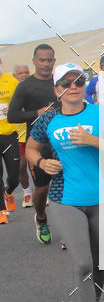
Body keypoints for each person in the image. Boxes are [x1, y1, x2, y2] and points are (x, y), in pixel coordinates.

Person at [26, 63, 104, 302]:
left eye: (79, 81)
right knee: (83, 262)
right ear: (57, 89)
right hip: (64, 198)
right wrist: (40, 162)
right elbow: (32, 148)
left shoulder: (101, 112)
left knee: (101, 263)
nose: (73, 87)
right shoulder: (48, 119)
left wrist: (93, 140)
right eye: (66, 83)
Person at [7, 44, 56, 242]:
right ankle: (41, 218)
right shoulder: (25, 86)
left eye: (49, 60)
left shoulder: (61, 82)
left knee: (67, 186)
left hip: (63, 143)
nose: (46, 64)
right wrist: (37, 113)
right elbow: (12, 115)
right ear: (35, 61)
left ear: (54, 60)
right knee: (42, 189)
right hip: (38, 145)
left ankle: (69, 230)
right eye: (42, 60)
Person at [0, 58, 20, 224]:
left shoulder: (11, 81)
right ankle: (1, 210)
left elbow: (22, 105)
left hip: (9, 133)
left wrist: (12, 109)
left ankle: (9, 192)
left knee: (14, 176)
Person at [13, 64, 33, 207]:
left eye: (26, 72)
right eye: (21, 73)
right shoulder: (11, 92)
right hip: (17, 134)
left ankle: (41, 191)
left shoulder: (33, 89)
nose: (24, 75)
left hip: (33, 132)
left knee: (37, 165)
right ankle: (27, 193)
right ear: (15, 75)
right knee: (21, 166)